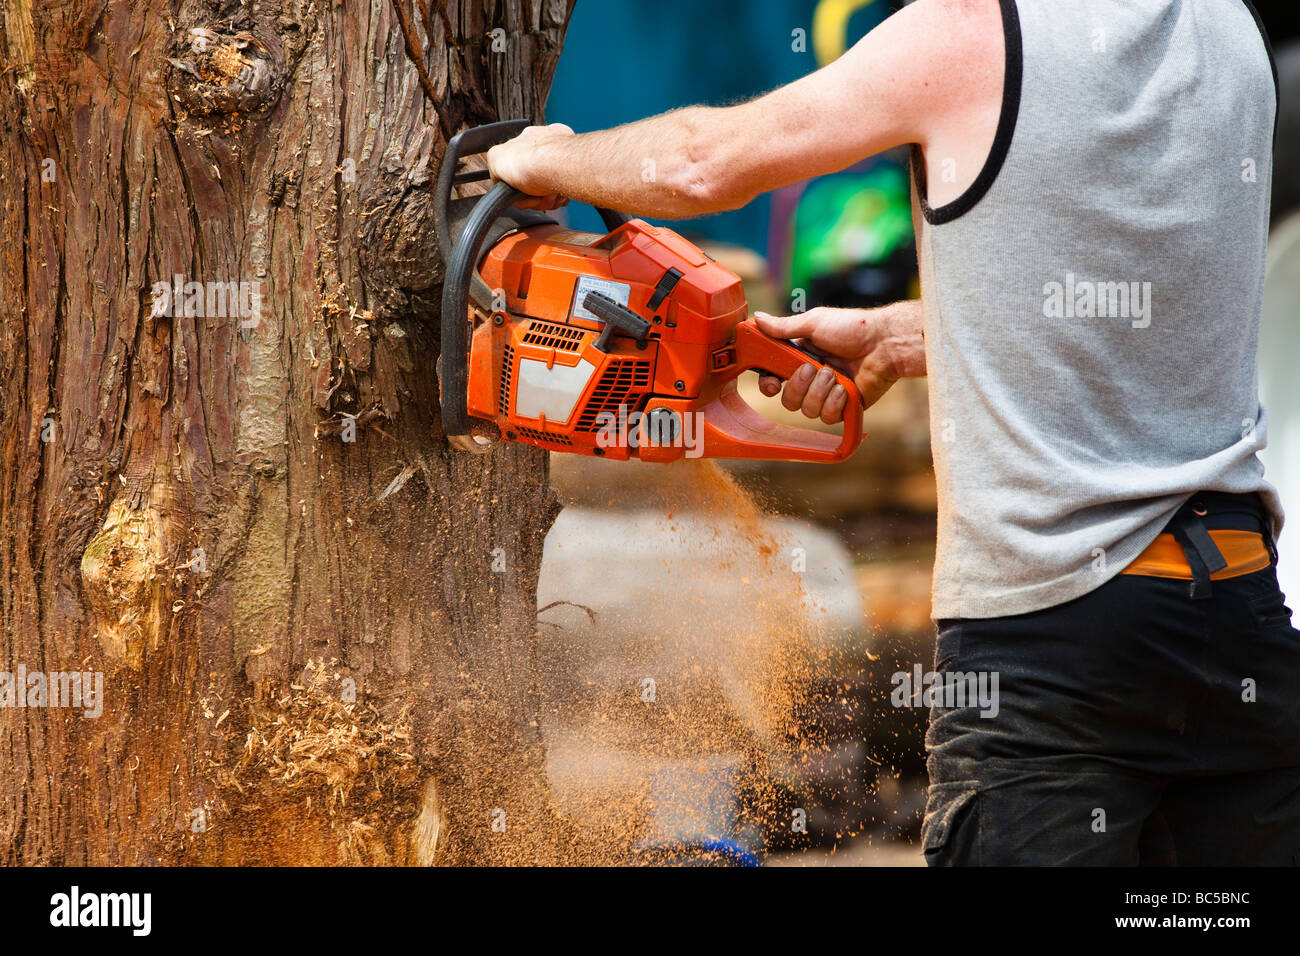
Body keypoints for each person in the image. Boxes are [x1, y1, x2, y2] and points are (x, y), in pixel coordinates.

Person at [486, 0, 1293, 865]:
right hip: (1238, 611)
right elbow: (1138, 282)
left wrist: (546, 158)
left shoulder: (968, 32)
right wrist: (910, 332)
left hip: (1055, 635)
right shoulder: (1227, 29)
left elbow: (698, 164)